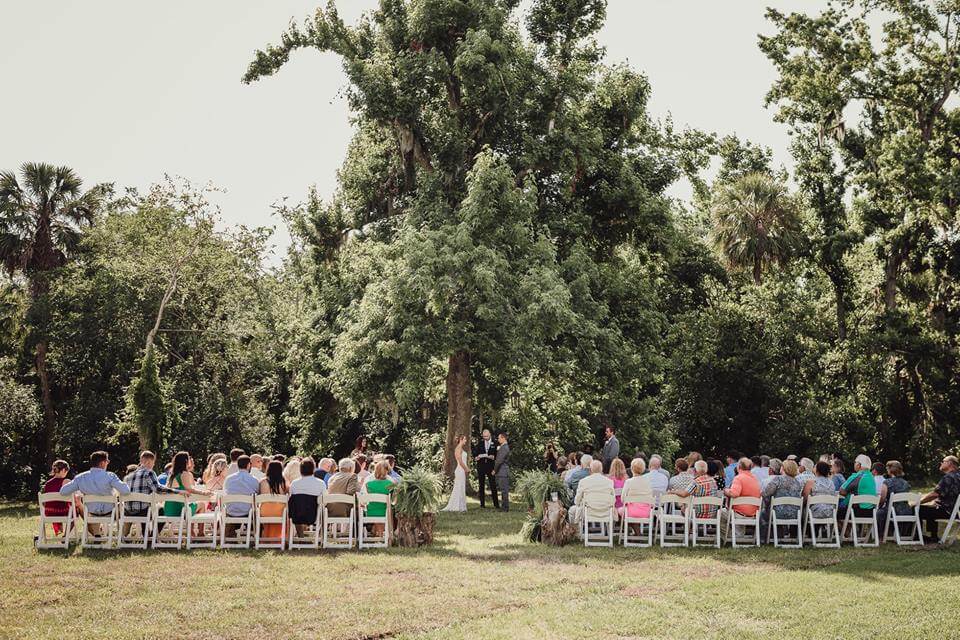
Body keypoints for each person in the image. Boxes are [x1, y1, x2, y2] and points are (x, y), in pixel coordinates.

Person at [59, 451, 131, 536]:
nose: (108, 463)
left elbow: (63, 491)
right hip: (110, 513)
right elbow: (126, 491)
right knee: (122, 505)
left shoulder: (81, 477)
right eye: (107, 461)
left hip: (90, 513)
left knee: (92, 509)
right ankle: (122, 536)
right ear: (102, 463)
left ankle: (97, 534)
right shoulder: (110, 476)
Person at [919, 455, 960, 540]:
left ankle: (917, 536)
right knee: (931, 507)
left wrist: (919, 502)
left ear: (950, 463)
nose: (941, 463)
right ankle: (933, 536)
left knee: (917, 509)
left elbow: (934, 494)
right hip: (954, 512)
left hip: (946, 511)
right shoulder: (958, 476)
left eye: (943, 461)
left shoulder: (948, 477)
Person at [163, 452, 211, 522]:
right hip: (180, 511)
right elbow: (189, 489)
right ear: (186, 461)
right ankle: (200, 532)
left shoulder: (171, 474)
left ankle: (192, 531)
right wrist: (204, 493)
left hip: (168, 510)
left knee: (191, 506)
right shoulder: (184, 473)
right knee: (202, 504)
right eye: (189, 458)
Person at [762, 459, 802, 541]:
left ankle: (763, 538)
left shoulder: (778, 479)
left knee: (762, 512)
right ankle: (778, 535)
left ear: (784, 468)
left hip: (777, 513)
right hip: (794, 514)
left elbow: (766, 493)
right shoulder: (797, 482)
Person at [124, 451, 163, 535]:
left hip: (128, 512)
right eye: (153, 463)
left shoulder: (128, 476)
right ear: (150, 462)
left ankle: (146, 534)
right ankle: (152, 537)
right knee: (162, 510)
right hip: (143, 512)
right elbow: (158, 489)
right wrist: (176, 491)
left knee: (146, 505)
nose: (153, 465)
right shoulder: (149, 473)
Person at [223, 455, 260, 539]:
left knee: (234, 506)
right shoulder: (254, 480)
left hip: (231, 511)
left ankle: (230, 533)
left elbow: (225, 493)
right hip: (247, 513)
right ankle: (255, 534)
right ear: (248, 465)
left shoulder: (228, 479)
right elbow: (258, 495)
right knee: (255, 509)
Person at [722, 457, 761, 537]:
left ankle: (726, 536)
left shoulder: (738, 478)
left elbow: (734, 493)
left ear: (738, 467)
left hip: (739, 513)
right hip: (754, 513)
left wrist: (726, 491)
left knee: (720, 513)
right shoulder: (755, 479)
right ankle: (738, 534)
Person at [568, 459, 615, 525]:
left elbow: (577, 501)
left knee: (572, 511)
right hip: (605, 511)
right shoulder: (609, 482)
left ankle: (575, 531)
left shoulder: (583, 481)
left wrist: (578, 503)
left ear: (590, 470)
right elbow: (613, 499)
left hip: (588, 511)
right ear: (601, 469)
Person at [289, 457, 327, 536]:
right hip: (314, 515)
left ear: (300, 469)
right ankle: (316, 536)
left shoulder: (294, 483)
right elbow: (325, 500)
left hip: (297, 516)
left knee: (297, 507)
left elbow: (291, 499)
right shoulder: (320, 483)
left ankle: (301, 536)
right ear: (313, 469)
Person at [876, 460, 911, 536]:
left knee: (879, 513)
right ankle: (897, 533)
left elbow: (882, 499)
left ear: (890, 470)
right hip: (906, 511)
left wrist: (879, 506)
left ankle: (880, 535)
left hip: (892, 511)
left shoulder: (887, 482)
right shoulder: (906, 483)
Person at [838, 454, 877, 521]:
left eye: (855, 462)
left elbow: (842, 491)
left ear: (859, 465)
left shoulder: (857, 476)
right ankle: (849, 530)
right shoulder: (872, 477)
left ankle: (841, 531)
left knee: (835, 512)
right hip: (871, 512)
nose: (854, 464)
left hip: (856, 512)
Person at [362, 460, 395, 537]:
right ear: (387, 471)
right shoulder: (391, 484)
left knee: (376, 507)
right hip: (385, 513)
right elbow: (393, 500)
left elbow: (363, 499)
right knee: (387, 509)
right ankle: (380, 533)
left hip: (370, 513)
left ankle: (377, 532)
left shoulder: (368, 484)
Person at [42, 460, 74, 535]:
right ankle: (66, 536)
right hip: (62, 511)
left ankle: (60, 532)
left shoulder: (47, 483)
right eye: (66, 471)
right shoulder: (66, 481)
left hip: (49, 512)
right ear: (63, 470)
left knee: (57, 506)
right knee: (76, 511)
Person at [258, 460, 288, 540]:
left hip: (264, 512)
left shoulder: (262, 482)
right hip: (280, 512)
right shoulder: (284, 482)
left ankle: (266, 536)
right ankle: (280, 537)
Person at [442, 434, 469, 512]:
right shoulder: (458, 449)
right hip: (460, 470)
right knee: (458, 487)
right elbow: (460, 461)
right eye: (465, 439)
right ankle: (456, 506)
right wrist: (466, 469)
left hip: (462, 470)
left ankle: (461, 506)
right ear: (461, 439)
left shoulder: (461, 448)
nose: (466, 441)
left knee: (461, 487)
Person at [473, 429, 499, 509]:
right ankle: (482, 504)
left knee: (493, 485)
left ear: (490, 435)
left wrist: (493, 457)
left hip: (491, 467)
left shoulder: (495, 443)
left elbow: (498, 455)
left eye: (487, 436)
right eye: (484, 436)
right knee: (481, 485)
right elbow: (475, 453)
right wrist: (476, 457)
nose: (485, 438)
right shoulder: (480, 443)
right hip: (481, 466)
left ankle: (496, 504)